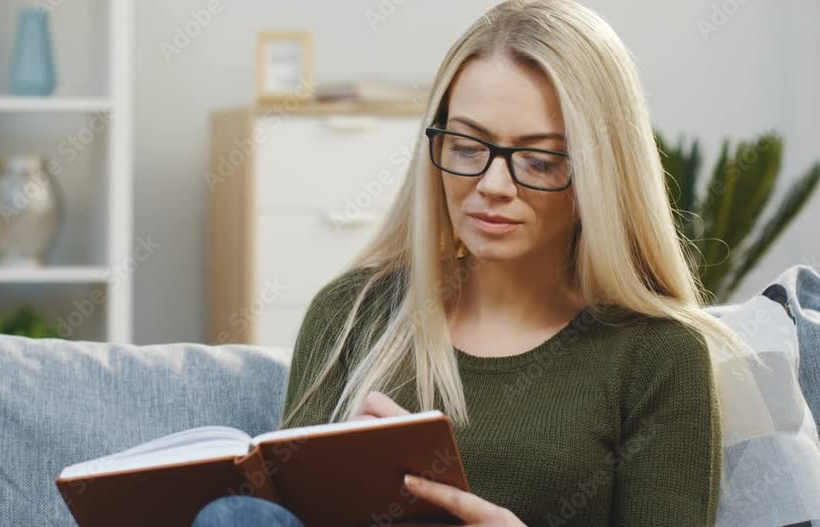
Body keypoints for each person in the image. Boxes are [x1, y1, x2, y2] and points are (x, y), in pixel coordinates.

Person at [195, 0, 744, 524]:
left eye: (538, 160)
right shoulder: (351, 314)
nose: (492, 184)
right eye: (465, 147)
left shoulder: (659, 356)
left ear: (600, 175)